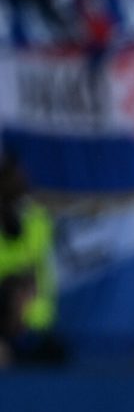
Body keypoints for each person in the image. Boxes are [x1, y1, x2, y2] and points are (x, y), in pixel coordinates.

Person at [0, 154, 67, 367]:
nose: (18, 182)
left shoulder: (37, 219)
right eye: (8, 177)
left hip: (35, 328)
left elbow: (38, 269)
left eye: (18, 176)